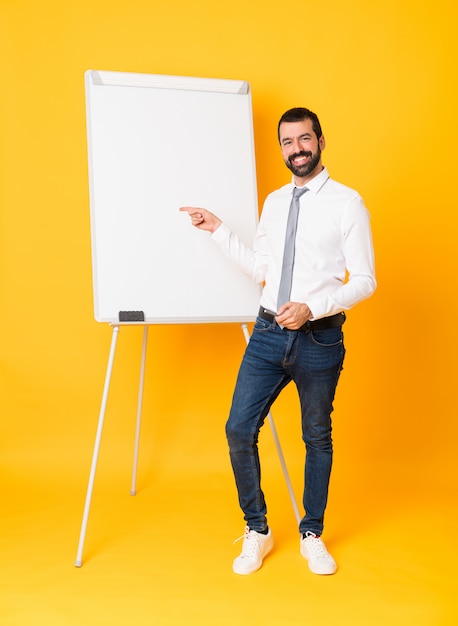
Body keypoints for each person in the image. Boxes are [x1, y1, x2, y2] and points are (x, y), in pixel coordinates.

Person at [180, 107, 376, 576]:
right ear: (283, 148)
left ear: (321, 142)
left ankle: (312, 534)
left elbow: (365, 280)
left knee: (316, 437)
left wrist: (314, 306)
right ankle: (257, 529)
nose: (297, 150)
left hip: (319, 340)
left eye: (304, 140)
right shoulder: (273, 202)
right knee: (238, 429)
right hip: (268, 334)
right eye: (288, 143)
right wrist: (219, 231)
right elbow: (264, 271)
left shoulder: (348, 203)